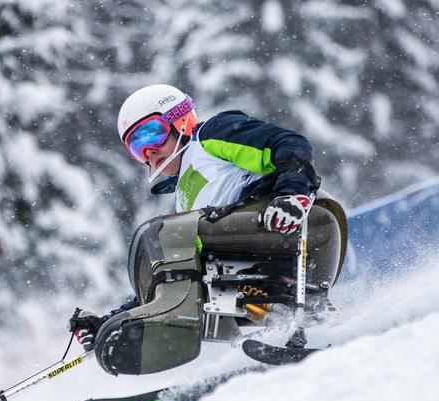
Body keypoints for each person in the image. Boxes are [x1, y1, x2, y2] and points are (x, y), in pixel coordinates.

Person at [70, 83, 321, 351]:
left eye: (150, 134)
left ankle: (283, 305)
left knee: (167, 238)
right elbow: (178, 271)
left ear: (180, 119)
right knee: (180, 264)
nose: (148, 151)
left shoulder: (208, 137)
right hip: (241, 260)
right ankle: (274, 323)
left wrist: (291, 193)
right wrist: (111, 322)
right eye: (135, 146)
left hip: (276, 228)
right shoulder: (183, 195)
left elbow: (287, 143)